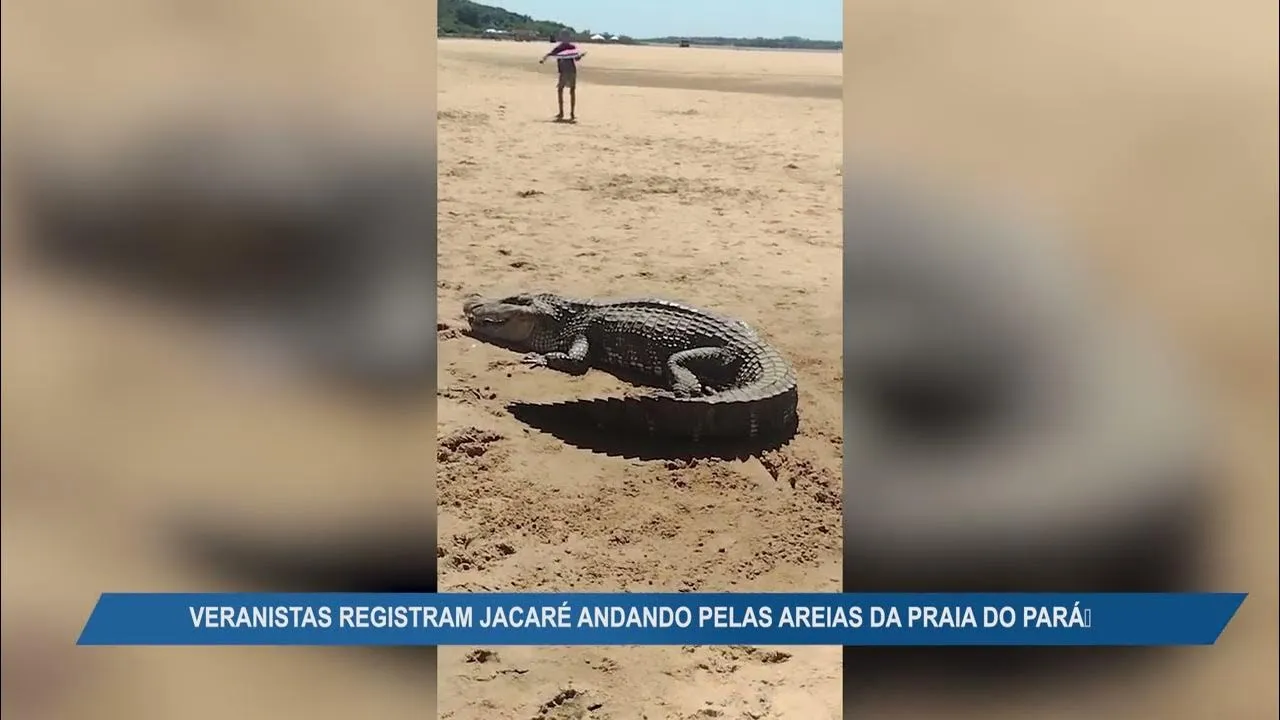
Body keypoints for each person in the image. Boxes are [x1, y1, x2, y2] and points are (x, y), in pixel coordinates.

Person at [539, 30, 585, 122]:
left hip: (571, 71)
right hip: (563, 72)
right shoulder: (560, 47)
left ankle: (571, 112)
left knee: (571, 91)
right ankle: (562, 112)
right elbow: (551, 54)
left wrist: (580, 56)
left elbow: (576, 58)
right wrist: (543, 59)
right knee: (561, 90)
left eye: (566, 36)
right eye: (564, 36)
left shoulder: (572, 47)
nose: (565, 38)